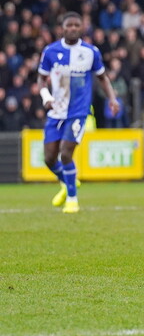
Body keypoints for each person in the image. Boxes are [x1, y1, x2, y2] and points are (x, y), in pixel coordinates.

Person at [37, 13, 120, 213]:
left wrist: (112, 98)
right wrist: (46, 97)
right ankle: (67, 182)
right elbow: (41, 79)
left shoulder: (91, 52)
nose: (73, 28)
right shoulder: (50, 51)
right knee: (49, 158)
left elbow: (102, 78)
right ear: (62, 28)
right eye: (69, 25)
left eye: (77, 25)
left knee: (66, 153)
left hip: (79, 111)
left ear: (81, 28)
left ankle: (72, 199)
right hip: (56, 111)